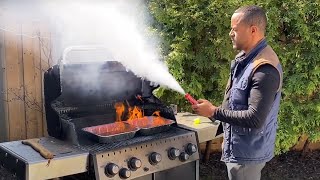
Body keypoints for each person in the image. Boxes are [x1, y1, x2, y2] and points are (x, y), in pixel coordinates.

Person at [192, 5, 283, 180]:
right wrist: (214, 113)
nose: (230, 33)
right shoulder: (248, 59)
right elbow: (238, 103)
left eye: (235, 29)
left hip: (246, 155)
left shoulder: (264, 69)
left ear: (253, 30)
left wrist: (213, 111)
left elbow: (255, 119)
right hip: (241, 149)